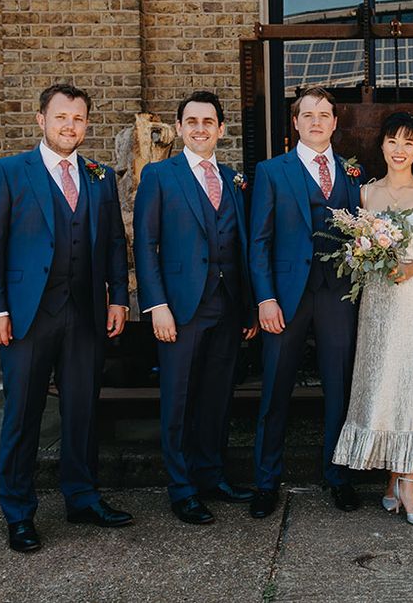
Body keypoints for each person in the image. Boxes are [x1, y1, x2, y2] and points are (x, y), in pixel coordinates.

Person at [0, 84, 132, 553]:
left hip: (84, 314)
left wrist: (118, 299)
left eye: (79, 119)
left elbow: (111, 246)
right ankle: (19, 513)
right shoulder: (8, 172)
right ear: (41, 119)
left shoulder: (99, 177)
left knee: (82, 413)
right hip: (26, 317)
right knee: (23, 415)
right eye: (61, 117)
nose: (70, 126)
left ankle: (82, 497)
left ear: (87, 124)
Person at [134, 91, 257, 525]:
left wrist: (247, 310)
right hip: (180, 309)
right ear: (181, 127)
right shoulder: (159, 176)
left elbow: (240, 247)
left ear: (221, 129)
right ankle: (182, 488)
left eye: (209, 121)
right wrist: (157, 306)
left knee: (217, 398)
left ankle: (211, 476)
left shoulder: (231, 178)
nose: (200, 128)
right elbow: (145, 245)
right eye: (192, 121)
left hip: (227, 306)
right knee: (180, 400)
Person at [332, 112, 413, 527]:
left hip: (412, 299)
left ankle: (409, 483)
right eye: (392, 141)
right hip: (376, 301)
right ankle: (390, 480)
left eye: (408, 143)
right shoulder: (366, 195)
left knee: (408, 385)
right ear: (382, 146)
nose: (399, 150)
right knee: (378, 382)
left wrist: (410, 268)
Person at [249, 86, 364, 519]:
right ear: (295, 123)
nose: (316, 121)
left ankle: (339, 476)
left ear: (335, 123)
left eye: (324, 114)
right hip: (286, 297)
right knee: (275, 390)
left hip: (337, 296)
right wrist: (265, 298)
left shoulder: (352, 174)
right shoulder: (272, 171)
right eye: (307, 114)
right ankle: (265, 481)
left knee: (339, 388)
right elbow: (258, 241)